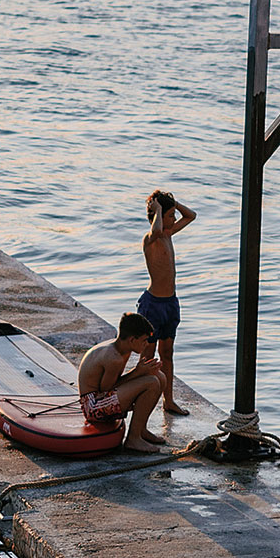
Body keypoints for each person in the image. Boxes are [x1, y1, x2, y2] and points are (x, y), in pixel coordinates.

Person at [139, 189, 196, 416]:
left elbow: (191, 215)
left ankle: (168, 400)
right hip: (153, 305)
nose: (174, 219)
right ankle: (142, 401)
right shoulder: (150, 239)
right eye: (170, 216)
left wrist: (173, 204)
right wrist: (158, 211)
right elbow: (155, 230)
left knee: (167, 354)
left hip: (170, 303)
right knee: (148, 357)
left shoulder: (168, 234)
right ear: (158, 217)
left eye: (173, 215)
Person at [76, 312, 167, 451]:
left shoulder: (124, 348)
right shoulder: (113, 357)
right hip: (93, 406)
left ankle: (141, 430)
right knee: (151, 382)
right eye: (144, 340)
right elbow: (106, 390)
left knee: (160, 377)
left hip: (102, 398)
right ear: (132, 340)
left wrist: (142, 372)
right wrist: (137, 372)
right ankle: (133, 439)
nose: (147, 344)